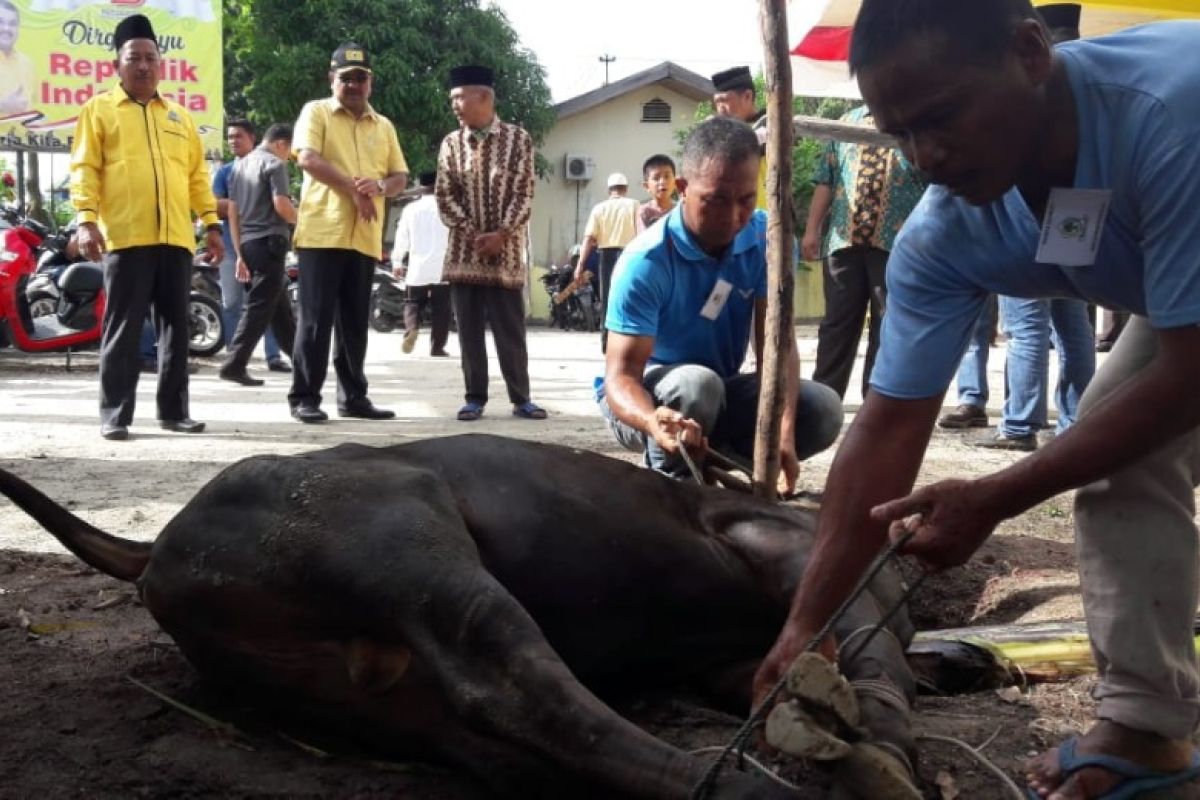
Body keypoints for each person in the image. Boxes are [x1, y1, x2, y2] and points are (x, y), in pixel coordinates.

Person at [755, 5, 1200, 800]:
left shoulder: (1170, 112)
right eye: (901, 134)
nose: (925, 157)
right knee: (1115, 449)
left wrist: (997, 494)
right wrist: (807, 626)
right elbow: (889, 425)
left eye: (942, 118)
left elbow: (1194, 373)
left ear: (1030, 52)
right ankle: (1146, 727)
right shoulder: (947, 231)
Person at [599, 116, 843, 485]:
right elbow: (619, 378)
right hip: (650, 402)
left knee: (823, 408)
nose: (733, 217)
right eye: (715, 201)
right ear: (682, 187)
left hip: (719, 392)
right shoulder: (645, 261)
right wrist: (652, 420)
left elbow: (777, 349)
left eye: (746, 200)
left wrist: (784, 434)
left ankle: (714, 467)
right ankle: (673, 485)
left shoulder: (767, 240)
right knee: (698, 386)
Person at [70, 13, 221, 441]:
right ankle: (115, 414)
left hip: (175, 239)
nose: (143, 65)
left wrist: (211, 224)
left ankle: (174, 412)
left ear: (161, 64)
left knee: (177, 327)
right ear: (117, 64)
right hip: (126, 236)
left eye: (150, 58)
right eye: (133, 57)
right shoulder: (99, 110)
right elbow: (85, 168)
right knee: (124, 327)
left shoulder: (179, 117)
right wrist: (85, 220)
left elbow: (196, 177)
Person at [968, 3, 1095, 451]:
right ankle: (1078, 421)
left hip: (1031, 214)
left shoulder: (1028, 78)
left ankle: (1021, 424)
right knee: (1071, 318)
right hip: (1079, 209)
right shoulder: (1090, 73)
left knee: (1027, 323)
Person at [288, 42, 408, 423]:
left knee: (356, 322)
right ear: (332, 79)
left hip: (365, 237)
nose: (353, 85)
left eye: (360, 78)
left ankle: (353, 397)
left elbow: (400, 176)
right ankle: (305, 396)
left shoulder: (384, 125)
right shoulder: (316, 112)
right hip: (323, 232)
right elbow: (308, 158)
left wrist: (380, 188)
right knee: (315, 320)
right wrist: (355, 189)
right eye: (346, 78)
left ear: (370, 82)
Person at [436, 64, 543, 422]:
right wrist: (471, 232)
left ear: (483, 97)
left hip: (506, 254)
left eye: (459, 97)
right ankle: (474, 398)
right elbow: (444, 194)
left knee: (509, 331)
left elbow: (525, 192)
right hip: (465, 254)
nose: (454, 105)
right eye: (452, 99)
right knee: (468, 332)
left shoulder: (518, 139)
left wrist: (502, 234)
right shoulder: (450, 144)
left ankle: (521, 398)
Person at [802, 104, 926, 401]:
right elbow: (827, 180)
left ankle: (876, 400)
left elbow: (931, 184)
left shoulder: (913, 122)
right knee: (836, 325)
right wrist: (811, 229)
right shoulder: (846, 123)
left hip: (894, 243)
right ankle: (824, 398)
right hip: (844, 241)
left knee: (886, 325)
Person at [219, 123, 297, 386]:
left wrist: (240, 252)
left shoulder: (239, 166)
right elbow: (282, 205)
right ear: (282, 144)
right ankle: (234, 362)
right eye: (290, 151)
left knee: (279, 307)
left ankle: (301, 358)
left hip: (250, 244)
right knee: (260, 306)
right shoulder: (275, 164)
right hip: (270, 242)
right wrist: (305, 221)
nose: (289, 157)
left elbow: (233, 212)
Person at [573, 172, 640, 353]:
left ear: (609, 190)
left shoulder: (599, 208)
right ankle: (628, 343)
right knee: (630, 298)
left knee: (608, 300)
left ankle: (606, 345)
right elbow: (642, 233)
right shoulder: (634, 205)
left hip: (606, 257)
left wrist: (580, 265)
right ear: (625, 189)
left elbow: (588, 239)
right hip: (630, 254)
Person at [392, 171, 451, 358]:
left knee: (412, 302)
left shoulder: (410, 209)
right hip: (443, 268)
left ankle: (412, 329)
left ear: (421, 186)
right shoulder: (448, 208)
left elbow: (402, 237)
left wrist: (397, 261)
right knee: (441, 310)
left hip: (418, 267)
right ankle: (437, 348)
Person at [711, 66, 768, 211]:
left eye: (724, 100)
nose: (720, 108)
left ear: (747, 96)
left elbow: (741, 146)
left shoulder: (772, 123)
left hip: (765, 219)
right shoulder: (722, 130)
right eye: (717, 102)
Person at [0, 0, 33, 115]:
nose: (6, 28)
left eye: (12, 23)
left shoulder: (26, 63)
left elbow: (28, 107)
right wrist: (2, 106)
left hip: (19, 133)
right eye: (0, 22)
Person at [636, 153, 676, 233]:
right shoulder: (644, 212)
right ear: (647, 186)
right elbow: (643, 241)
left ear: (675, 182)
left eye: (667, 176)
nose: (662, 182)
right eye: (656, 178)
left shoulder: (680, 210)